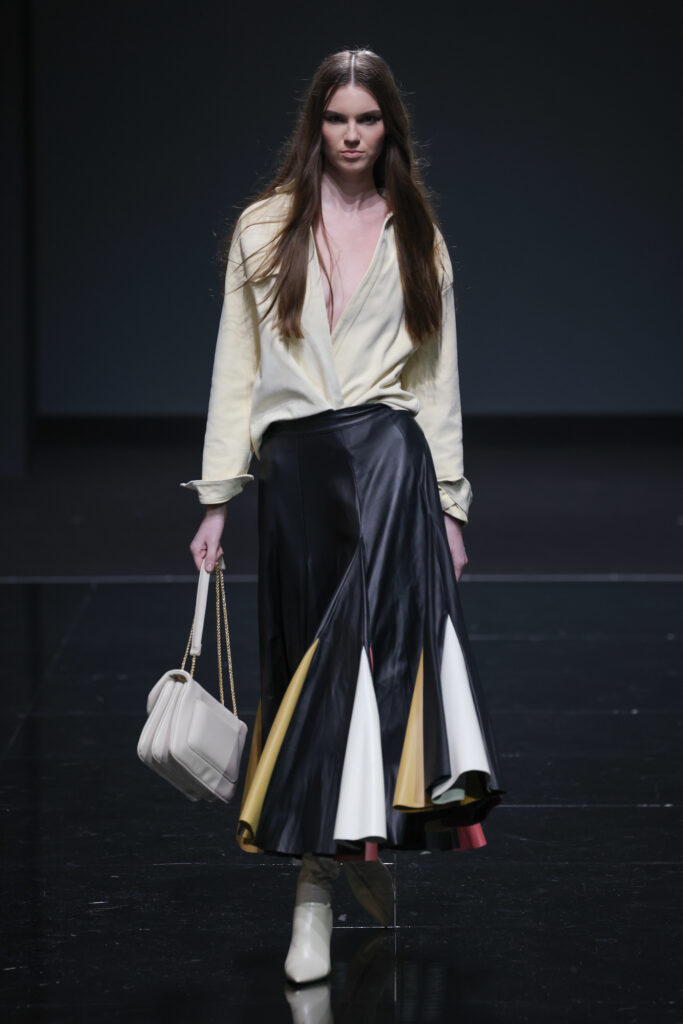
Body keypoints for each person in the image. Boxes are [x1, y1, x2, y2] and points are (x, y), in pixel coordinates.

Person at [183, 47, 505, 985]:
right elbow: (237, 366)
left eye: (367, 119)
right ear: (315, 125)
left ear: (387, 126)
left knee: (371, 672)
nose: (352, 135)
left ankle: (316, 894)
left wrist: (450, 507)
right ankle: (340, 863)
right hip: (296, 477)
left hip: (390, 465)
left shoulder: (417, 233)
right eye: (337, 119)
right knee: (305, 674)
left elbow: (435, 380)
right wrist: (217, 497)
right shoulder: (263, 227)